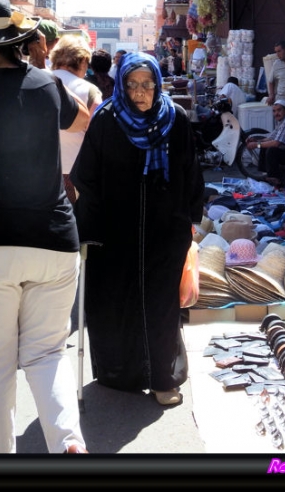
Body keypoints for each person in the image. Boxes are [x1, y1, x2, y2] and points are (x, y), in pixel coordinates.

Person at [0, 0, 90, 453]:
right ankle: (69, 443)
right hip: (54, 240)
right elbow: (83, 120)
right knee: (48, 355)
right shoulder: (48, 84)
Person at [70, 51, 205, 407]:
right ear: (122, 85)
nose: (141, 92)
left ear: (157, 85)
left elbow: (191, 172)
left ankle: (163, 377)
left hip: (165, 231)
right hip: (115, 232)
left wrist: (190, 220)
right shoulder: (107, 120)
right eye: (132, 85)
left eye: (147, 85)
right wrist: (89, 228)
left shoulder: (174, 118)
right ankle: (120, 374)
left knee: (161, 306)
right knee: (118, 303)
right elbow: (86, 177)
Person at [49, 34, 104, 204]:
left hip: (42, 173)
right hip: (77, 174)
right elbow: (97, 136)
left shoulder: (35, 81)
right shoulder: (89, 90)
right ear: (81, 61)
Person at [245, 99, 285, 189]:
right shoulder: (282, 121)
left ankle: (276, 180)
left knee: (272, 150)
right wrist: (256, 140)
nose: (276, 113)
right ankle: (267, 174)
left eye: (279, 110)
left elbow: (276, 143)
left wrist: (256, 144)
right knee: (266, 145)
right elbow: (271, 137)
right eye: (274, 111)